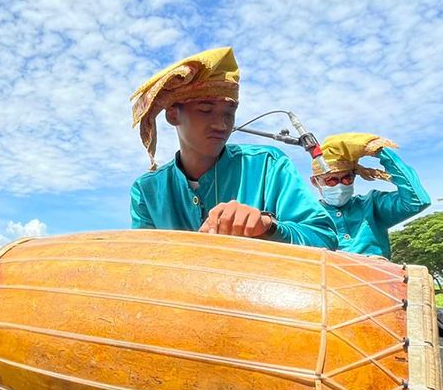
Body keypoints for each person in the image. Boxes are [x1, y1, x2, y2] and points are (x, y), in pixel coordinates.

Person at [129, 47, 337, 249]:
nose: (221, 125)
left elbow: (323, 237)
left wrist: (267, 227)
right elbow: (144, 259)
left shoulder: (268, 166)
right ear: (173, 115)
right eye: (205, 110)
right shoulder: (147, 191)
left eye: (229, 112)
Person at [310, 132, 430, 258]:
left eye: (347, 178)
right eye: (331, 180)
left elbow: (417, 201)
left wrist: (379, 151)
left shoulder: (372, 204)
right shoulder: (308, 215)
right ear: (315, 182)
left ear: (354, 176)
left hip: (380, 275)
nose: (340, 186)